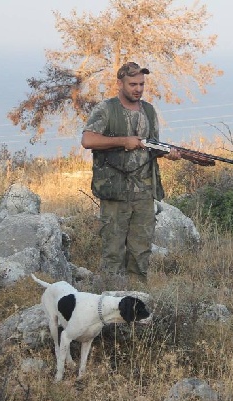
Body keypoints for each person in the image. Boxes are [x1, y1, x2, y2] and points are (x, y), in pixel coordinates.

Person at [81, 62, 180, 285]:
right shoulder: (106, 109)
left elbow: (152, 147)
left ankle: (136, 301)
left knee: (140, 251)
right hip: (115, 192)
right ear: (120, 83)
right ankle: (111, 302)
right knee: (113, 252)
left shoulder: (149, 111)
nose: (138, 89)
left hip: (144, 192)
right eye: (133, 84)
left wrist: (169, 153)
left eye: (141, 84)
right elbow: (88, 140)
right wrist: (123, 141)